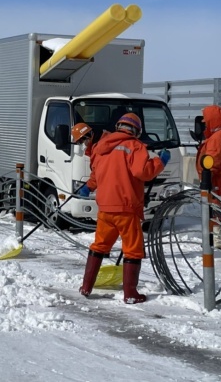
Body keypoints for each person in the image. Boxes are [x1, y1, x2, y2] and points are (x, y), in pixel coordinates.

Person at [79, 113, 170, 303]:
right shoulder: (135, 146)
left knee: (99, 246)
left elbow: (96, 173)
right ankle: (130, 294)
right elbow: (142, 172)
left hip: (105, 208)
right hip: (126, 208)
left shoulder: (101, 146)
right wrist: (160, 161)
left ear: (119, 126)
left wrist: (88, 187)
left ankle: (86, 286)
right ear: (136, 131)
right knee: (133, 250)